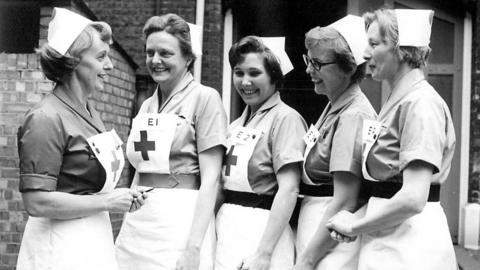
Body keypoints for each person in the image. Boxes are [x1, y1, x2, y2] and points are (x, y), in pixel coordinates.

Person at [326, 9, 458, 270]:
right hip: (389, 239)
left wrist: (354, 225)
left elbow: (413, 197)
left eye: (374, 44)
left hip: (411, 246)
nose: (365, 53)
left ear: (402, 50)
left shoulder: (421, 104)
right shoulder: (397, 100)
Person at [16, 7, 145, 270]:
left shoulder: (90, 112)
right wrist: (108, 201)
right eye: (101, 57)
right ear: (73, 60)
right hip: (60, 247)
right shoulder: (46, 118)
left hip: (93, 239)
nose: (109, 66)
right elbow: (36, 201)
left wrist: (123, 196)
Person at [115, 13, 227, 270]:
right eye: (150, 52)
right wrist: (126, 225)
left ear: (188, 58)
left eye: (165, 53)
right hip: (140, 219)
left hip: (179, 219)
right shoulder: (146, 105)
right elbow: (140, 168)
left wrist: (193, 247)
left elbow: (211, 179)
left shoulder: (205, 98)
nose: (155, 60)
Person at [215, 36, 307, 270]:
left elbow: (289, 188)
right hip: (228, 227)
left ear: (274, 77)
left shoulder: (286, 119)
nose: (245, 82)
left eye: (255, 73)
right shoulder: (235, 125)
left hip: (263, 230)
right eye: (239, 73)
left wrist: (264, 253)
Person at [293, 15, 376, 270]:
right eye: (309, 60)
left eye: (317, 63)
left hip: (331, 241)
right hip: (318, 228)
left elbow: (345, 201)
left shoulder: (352, 115)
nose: (308, 70)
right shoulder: (334, 105)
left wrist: (307, 260)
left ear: (348, 67)